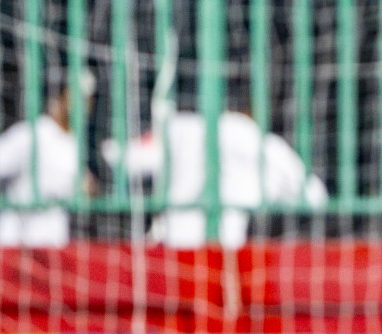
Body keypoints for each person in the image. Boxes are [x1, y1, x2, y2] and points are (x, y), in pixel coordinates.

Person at [113, 98, 328, 250]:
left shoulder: (181, 127)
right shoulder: (260, 141)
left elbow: (121, 158)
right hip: (227, 257)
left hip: (173, 255)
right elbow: (316, 195)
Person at [0, 69, 95, 247]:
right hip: (16, 246)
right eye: (77, 95)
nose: (83, 104)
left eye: (88, 98)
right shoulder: (34, 133)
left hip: (53, 248)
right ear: (60, 96)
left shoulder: (74, 144)